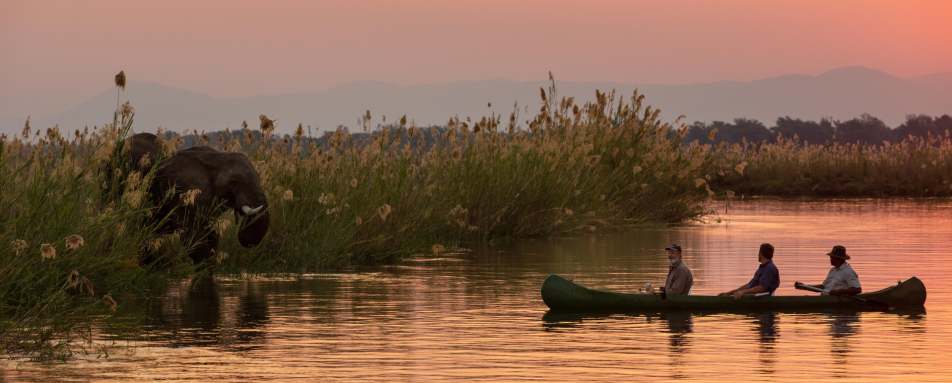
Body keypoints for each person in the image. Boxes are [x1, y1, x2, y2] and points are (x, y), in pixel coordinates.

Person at [796, 245, 861, 296]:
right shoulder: (833, 270)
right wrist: (805, 287)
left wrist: (839, 292)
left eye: (832, 257)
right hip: (825, 297)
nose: (830, 259)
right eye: (831, 257)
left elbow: (857, 289)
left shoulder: (848, 272)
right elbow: (823, 287)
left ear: (839, 259)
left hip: (836, 300)